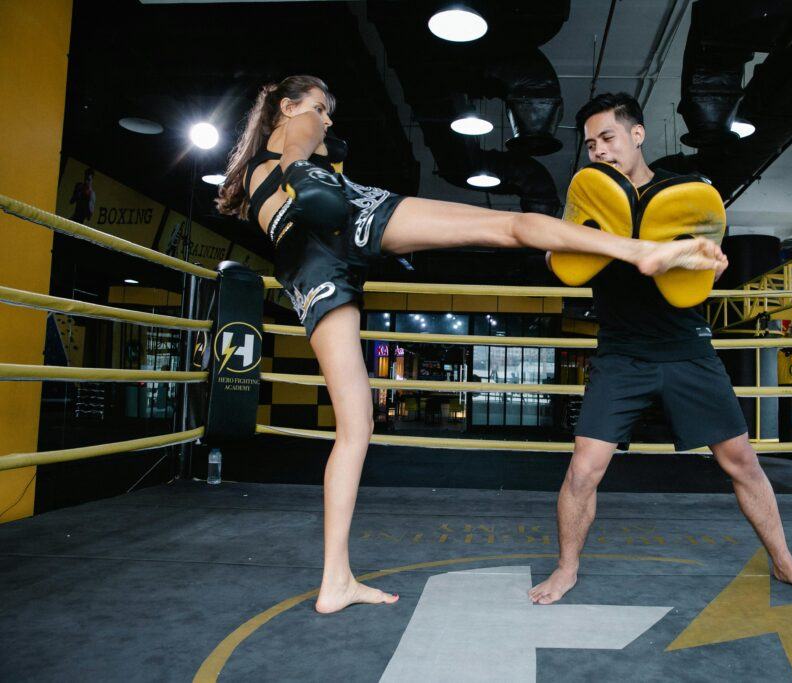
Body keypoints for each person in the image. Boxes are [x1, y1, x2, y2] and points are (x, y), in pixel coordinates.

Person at [215, 76, 724, 614]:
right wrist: (302, 169)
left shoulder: (255, 174)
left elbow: (296, 158)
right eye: (320, 107)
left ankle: (335, 580)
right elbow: (294, 142)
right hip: (340, 219)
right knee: (509, 227)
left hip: (307, 265)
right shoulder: (293, 136)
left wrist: (309, 169)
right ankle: (640, 251)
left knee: (355, 426)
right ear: (288, 105)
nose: (327, 118)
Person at [528, 93, 792, 605]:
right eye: (589, 145)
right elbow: (555, 259)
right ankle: (566, 569)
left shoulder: (684, 195)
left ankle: (786, 563)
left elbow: (711, 259)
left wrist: (710, 261)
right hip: (621, 351)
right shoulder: (588, 201)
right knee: (584, 467)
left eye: (607, 137)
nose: (599, 151)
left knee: (741, 460)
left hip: (686, 346)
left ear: (636, 134)